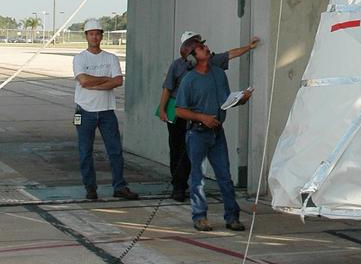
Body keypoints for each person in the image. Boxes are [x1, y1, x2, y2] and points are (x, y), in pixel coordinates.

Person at [159, 30, 260, 202]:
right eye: (197, 45)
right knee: (177, 150)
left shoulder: (212, 64)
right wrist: (162, 109)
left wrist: (249, 47)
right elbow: (168, 87)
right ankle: (178, 186)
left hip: (199, 115)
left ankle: (193, 187)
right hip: (180, 112)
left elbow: (230, 54)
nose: (203, 47)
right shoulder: (178, 66)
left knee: (193, 153)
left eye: (201, 43)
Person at [174, 40, 253, 232]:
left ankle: (232, 217)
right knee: (198, 176)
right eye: (200, 48)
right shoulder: (189, 80)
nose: (206, 49)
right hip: (198, 133)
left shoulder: (218, 74)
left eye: (204, 46)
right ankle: (200, 217)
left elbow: (225, 101)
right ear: (193, 57)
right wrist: (201, 117)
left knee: (225, 176)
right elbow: (179, 111)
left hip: (217, 132)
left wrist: (241, 100)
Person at [72, 19, 138, 202]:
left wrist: (95, 84)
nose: (95, 37)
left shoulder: (111, 57)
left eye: (97, 33)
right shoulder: (80, 58)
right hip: (85, 111)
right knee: (85, 152)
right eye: (91, 33)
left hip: (107, 111)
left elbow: (118, 81)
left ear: (101, 35)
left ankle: (120, 186)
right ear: (86, 36)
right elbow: (83, 81)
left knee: (115, 151)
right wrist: (104, 80)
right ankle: (90, 188)